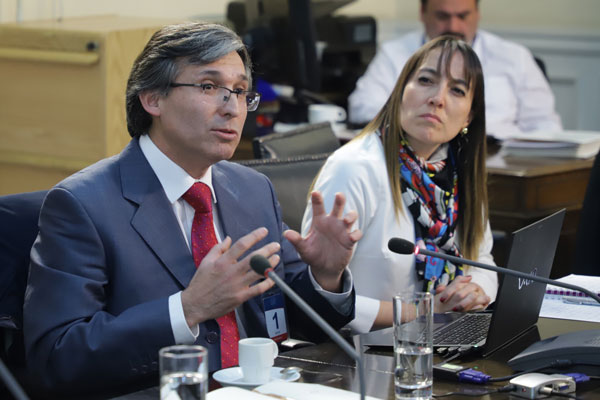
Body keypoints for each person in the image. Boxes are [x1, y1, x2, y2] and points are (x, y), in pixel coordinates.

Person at [23, 22, 361, 397]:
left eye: (239, 92)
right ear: (152, 99)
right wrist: (186, 309)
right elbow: (55, 360)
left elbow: (296, 322)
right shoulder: (82, 204)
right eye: (209, 86)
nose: (231, 108)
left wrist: (325, 277)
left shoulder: (252, 189)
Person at [302, 35, 498, 334]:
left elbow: (483, 260)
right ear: (400, 90)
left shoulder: (460, 174)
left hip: (446, 339)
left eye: (457, 90)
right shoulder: (355, 168)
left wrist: (475, 293)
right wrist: (424, 312)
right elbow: (322, 300)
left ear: (469, 115)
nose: (438, 98)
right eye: (426, 80)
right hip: (364, 353)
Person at [348, 0, 562, 140]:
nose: (454, 27)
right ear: (422, 13)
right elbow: (362, 107)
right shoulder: (395, 53)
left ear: (477, 14)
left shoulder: (515, 57)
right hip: (418, 159)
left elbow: (546, 126)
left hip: (500, 168)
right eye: (442, 16)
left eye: (463, 16)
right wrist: (424, 125)